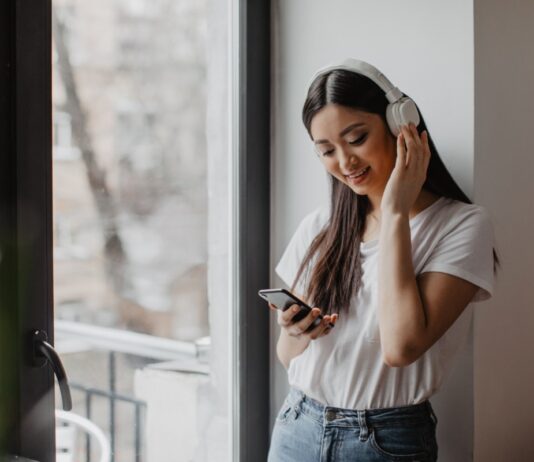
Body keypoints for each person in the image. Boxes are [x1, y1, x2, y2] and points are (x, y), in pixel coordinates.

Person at [267, 59, 500, 462]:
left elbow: (401, 346)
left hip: (384, 440)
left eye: (356, 138)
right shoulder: (321, 224)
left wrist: (394, 212)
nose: (345, 163)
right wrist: (295, 332)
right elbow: (288, 357)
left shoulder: (462, 225)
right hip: (298, 426)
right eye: (327, 151)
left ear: (401, 125)